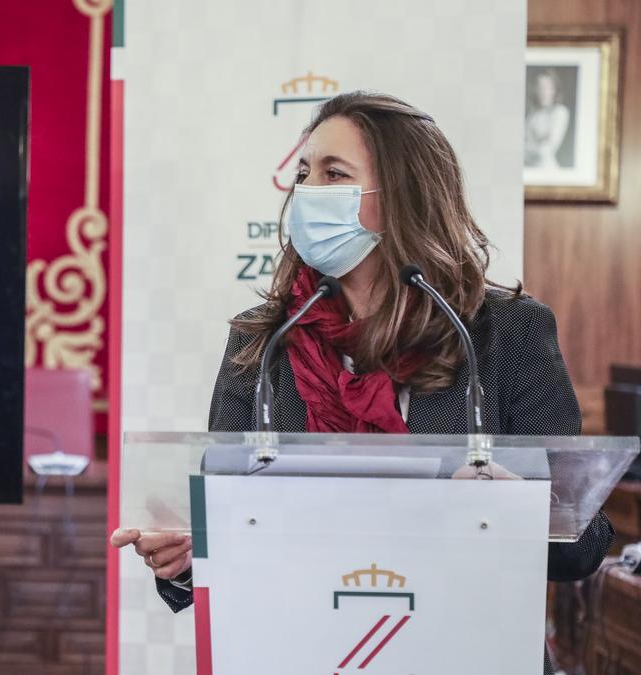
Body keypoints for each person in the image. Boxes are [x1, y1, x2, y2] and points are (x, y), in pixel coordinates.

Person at [110, 91, 612, 675]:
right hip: (296, 651)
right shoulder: (263, 341)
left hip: (468, 648)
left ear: (401, 195)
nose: (305, 190)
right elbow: (225, 533)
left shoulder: (507, 331)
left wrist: (520, 508)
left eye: (333, 174)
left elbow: (585, 543)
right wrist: (187, 555)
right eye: (302, 173)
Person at [524, 68, 571, 169]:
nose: (544, 92)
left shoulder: (560, 112)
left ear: (555, 90)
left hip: (546, 169)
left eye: (548, 88)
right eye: (540, 87)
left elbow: (545, 151)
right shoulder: (533, 113)